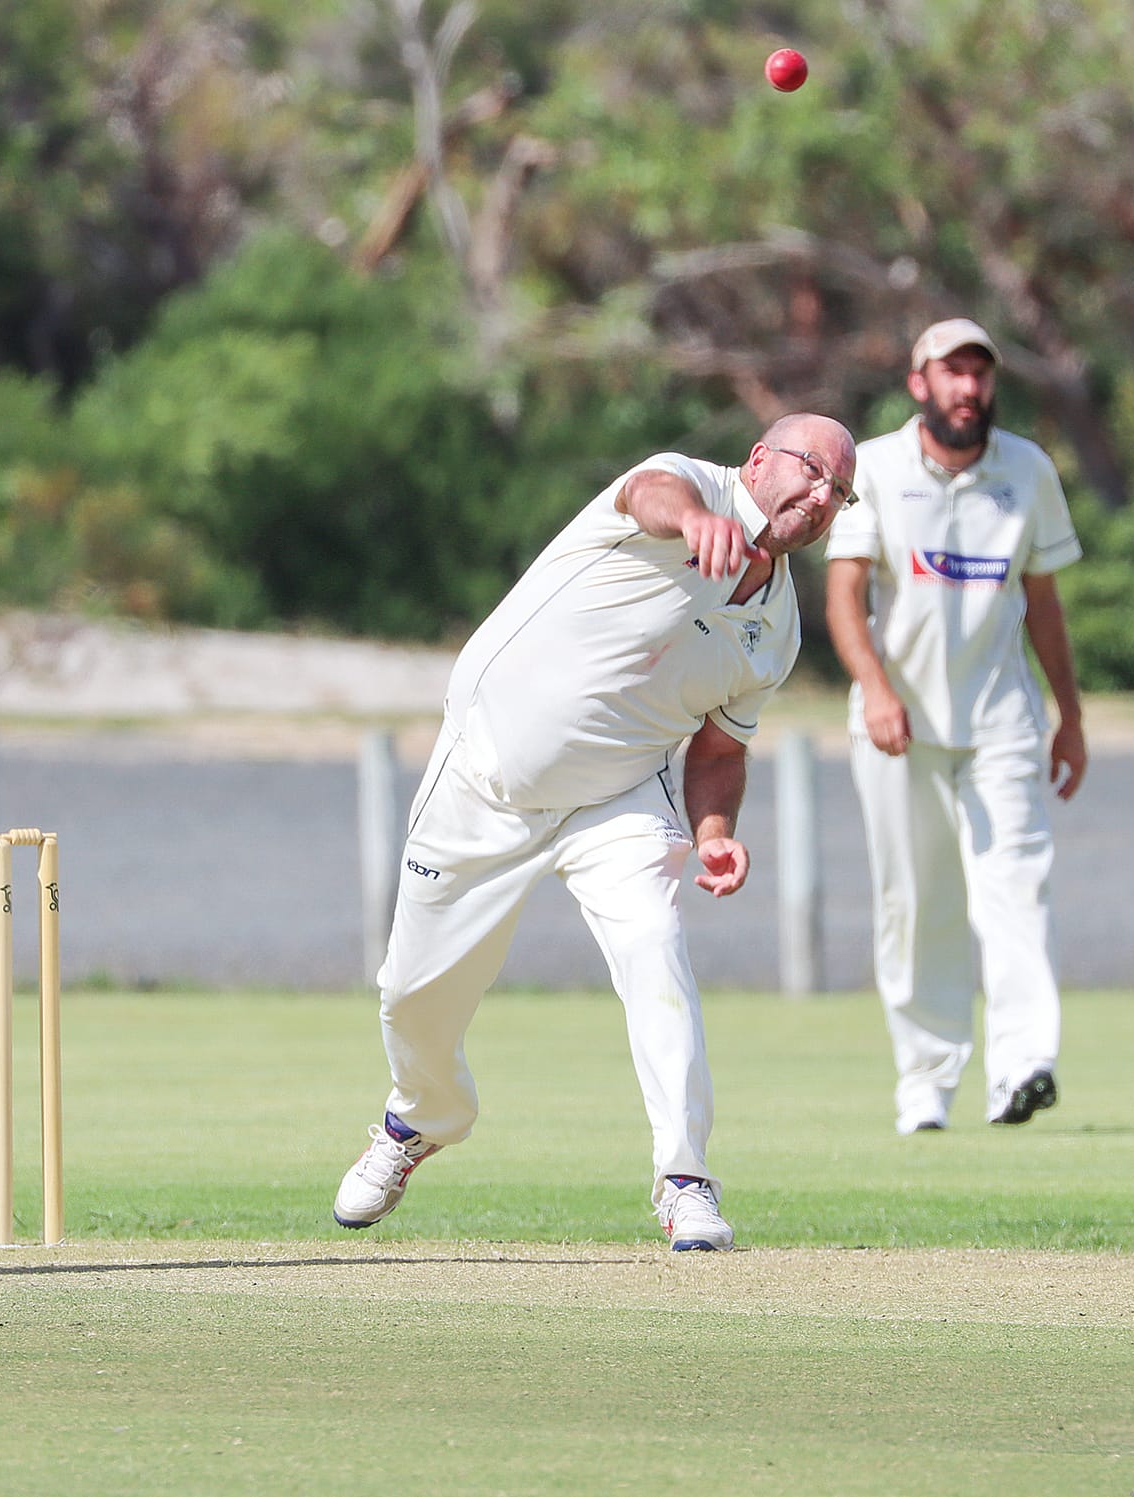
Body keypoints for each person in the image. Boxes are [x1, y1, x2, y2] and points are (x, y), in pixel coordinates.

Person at [333, 414, 859, 1252]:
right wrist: (696, 520)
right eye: (812, 471)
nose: (821, 496)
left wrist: (714, 831)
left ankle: (685, 1179)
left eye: (840, 491)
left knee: (657, 949)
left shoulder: (781, 627)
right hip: (485, 778)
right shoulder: (687, 485)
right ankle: (418, 1120)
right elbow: (651, 493)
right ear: (761, 458)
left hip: (618, 797)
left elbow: (720, 748)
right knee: (411, 992)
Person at [824, 318, 1086, 1136]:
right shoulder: (875, 467)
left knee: (1015, 888)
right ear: (920, 383)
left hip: (1001, 720)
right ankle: (926, 1082)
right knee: (916, 902)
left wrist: (1070, 715)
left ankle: (1021, 1067)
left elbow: (1043, 602)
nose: (968, 388)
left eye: (979, 372)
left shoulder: (1027, 469)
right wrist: (875, 690)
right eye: (952, 372)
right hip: (899, 724)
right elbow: (844, 595)